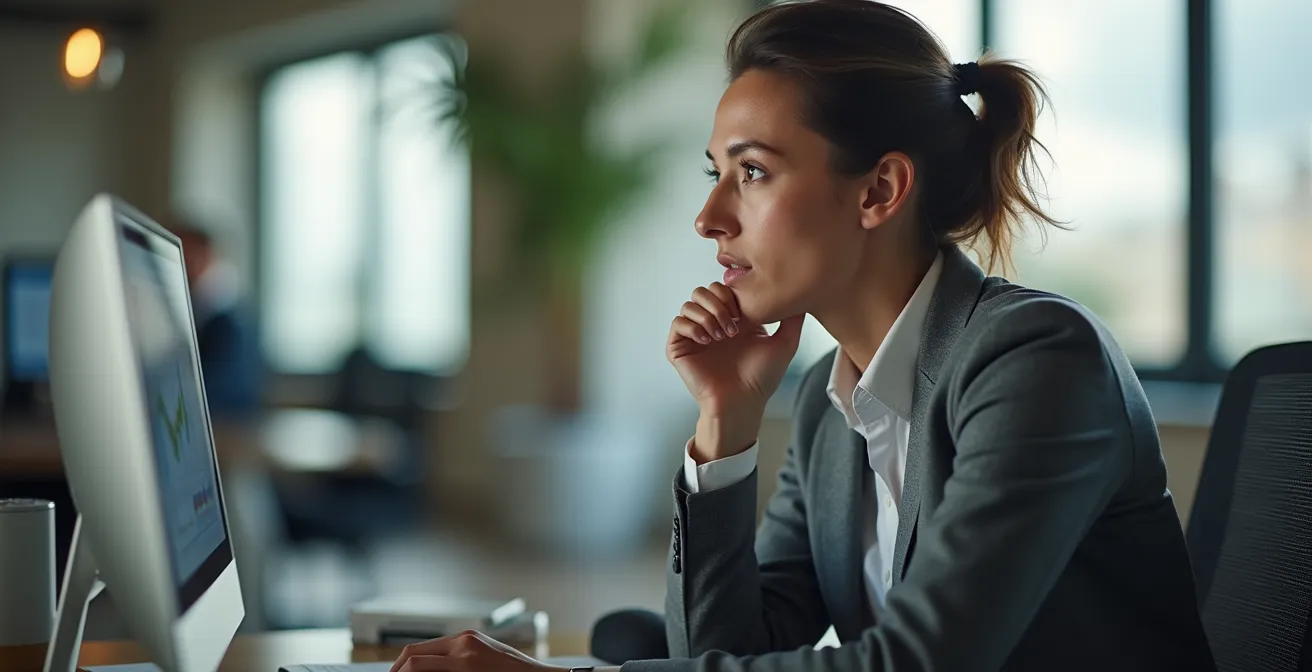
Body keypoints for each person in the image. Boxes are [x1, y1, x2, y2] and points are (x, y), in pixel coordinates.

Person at [386, 1, 1216, 670]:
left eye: (752, 171)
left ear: (879, 190)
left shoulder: (1035, 358)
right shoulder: (829, 406)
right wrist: (725, 425)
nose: (710, 217)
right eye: (717, 172)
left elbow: (920, 663)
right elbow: (719, 653)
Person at [171, 217, 262, 418]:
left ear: (205, 253)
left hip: (225, 420)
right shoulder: (229, 298)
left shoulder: (222, 314)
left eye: (186, 252)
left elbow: (215, 389)